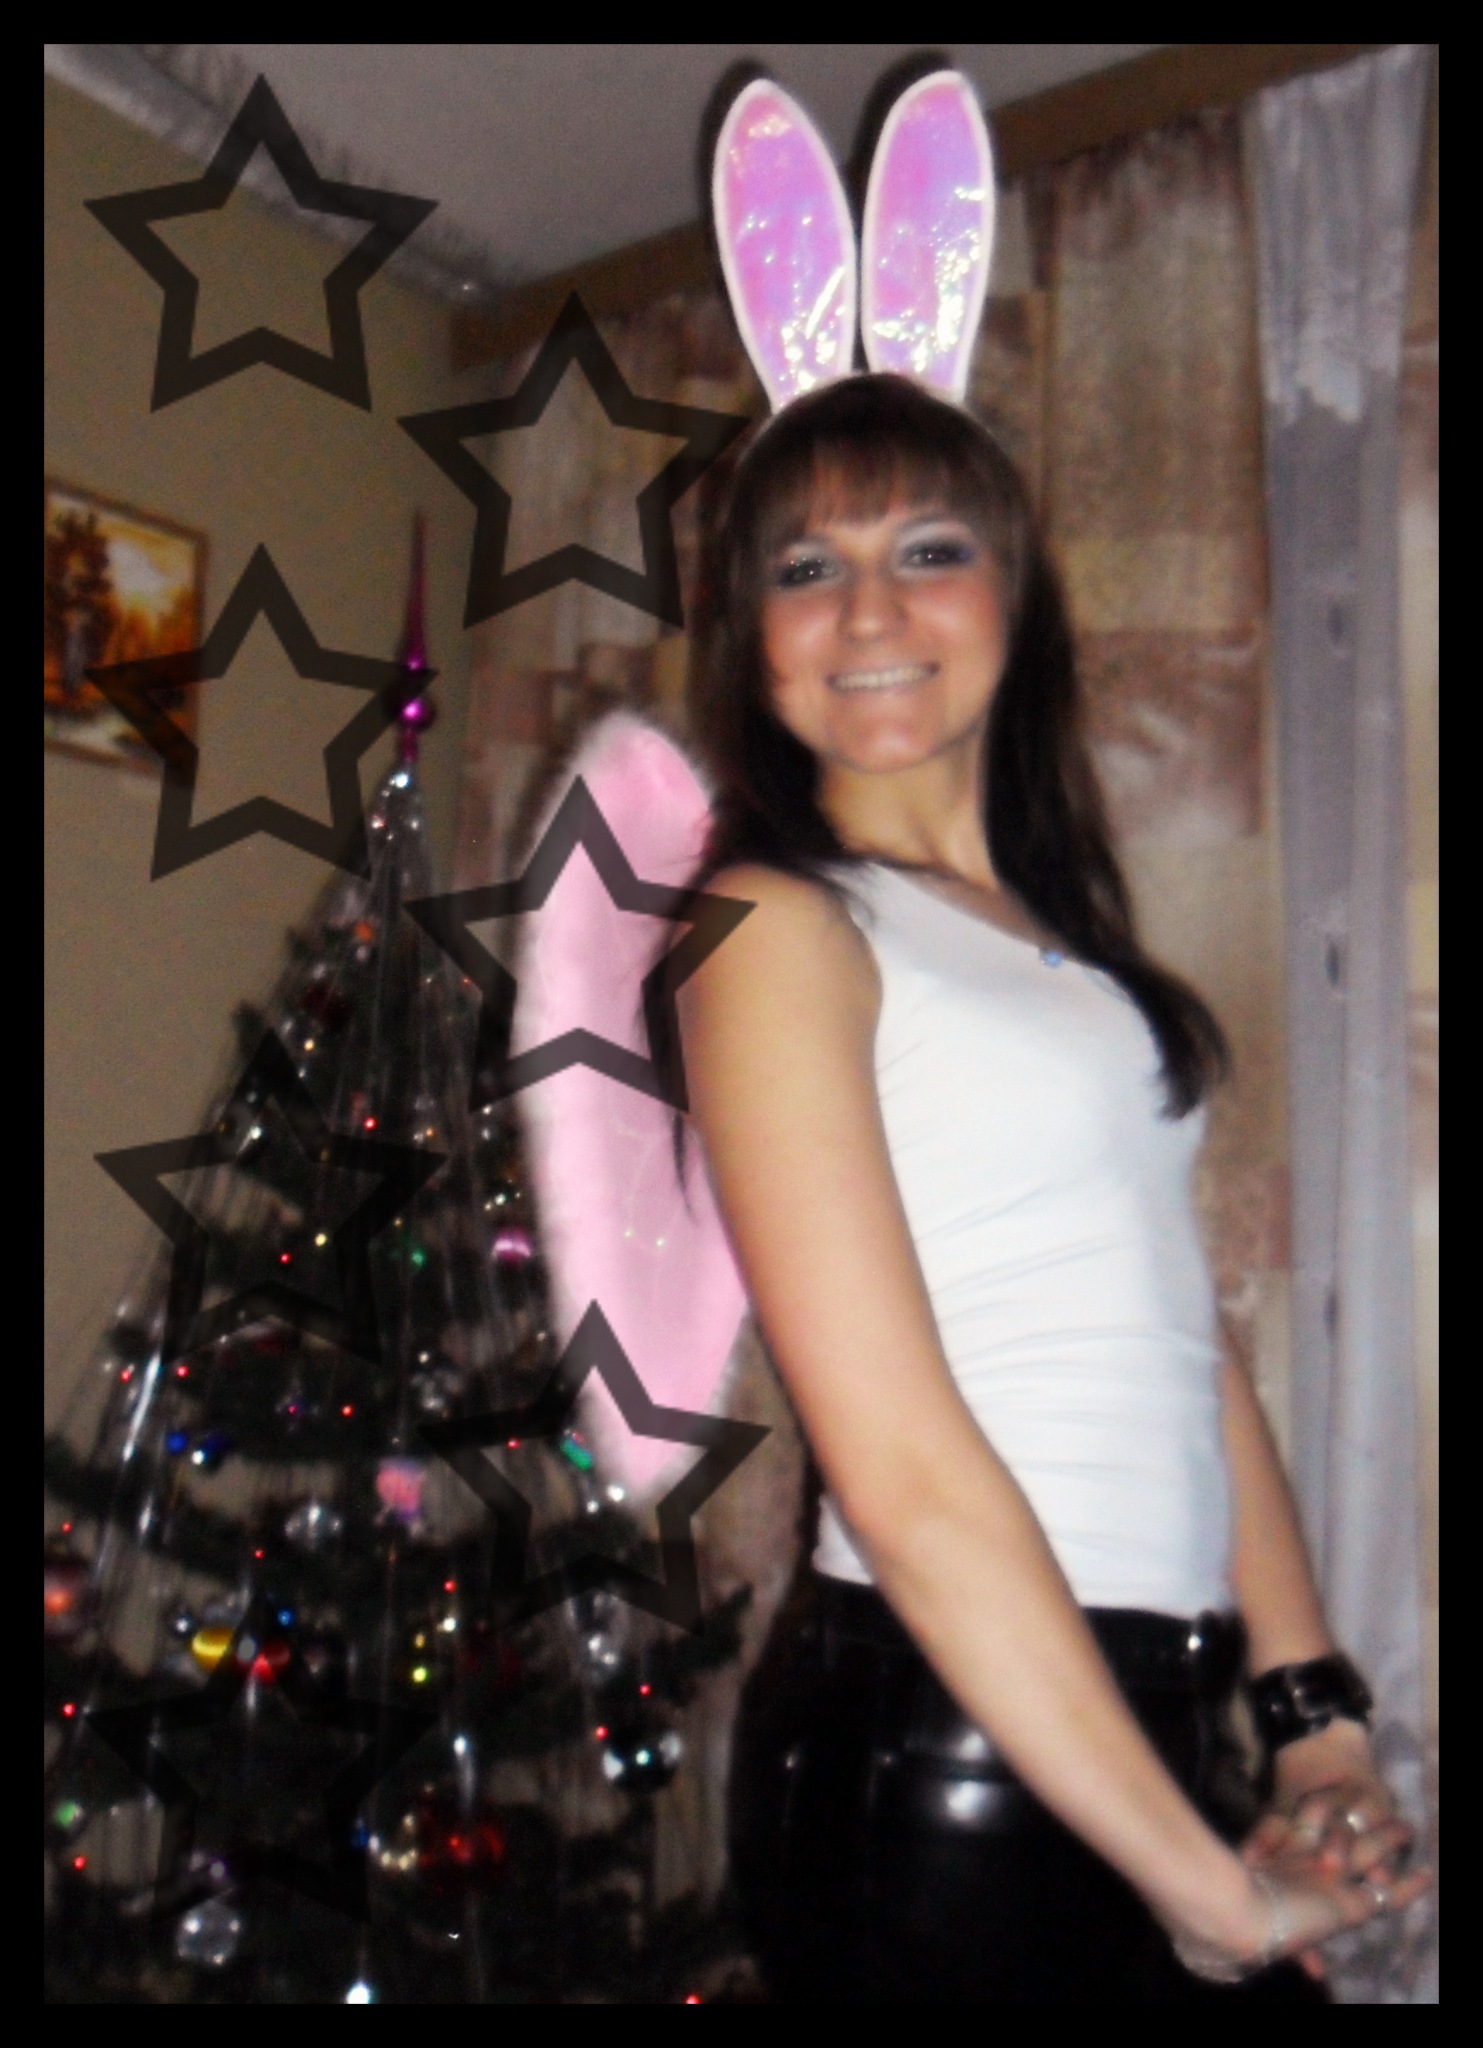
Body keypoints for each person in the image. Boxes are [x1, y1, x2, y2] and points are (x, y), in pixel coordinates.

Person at [676, 373, 1427, 2002]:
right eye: (805, 569)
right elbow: (901, 1476)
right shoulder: (773, 927)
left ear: (1016, 596)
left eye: (927, 549)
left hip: (1128, 1726)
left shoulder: (1058, 947)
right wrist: (1208, 1894)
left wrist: (1309, 1711)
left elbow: (1185, 1346)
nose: (867, 609)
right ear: (753, 641)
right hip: (941, 1751)